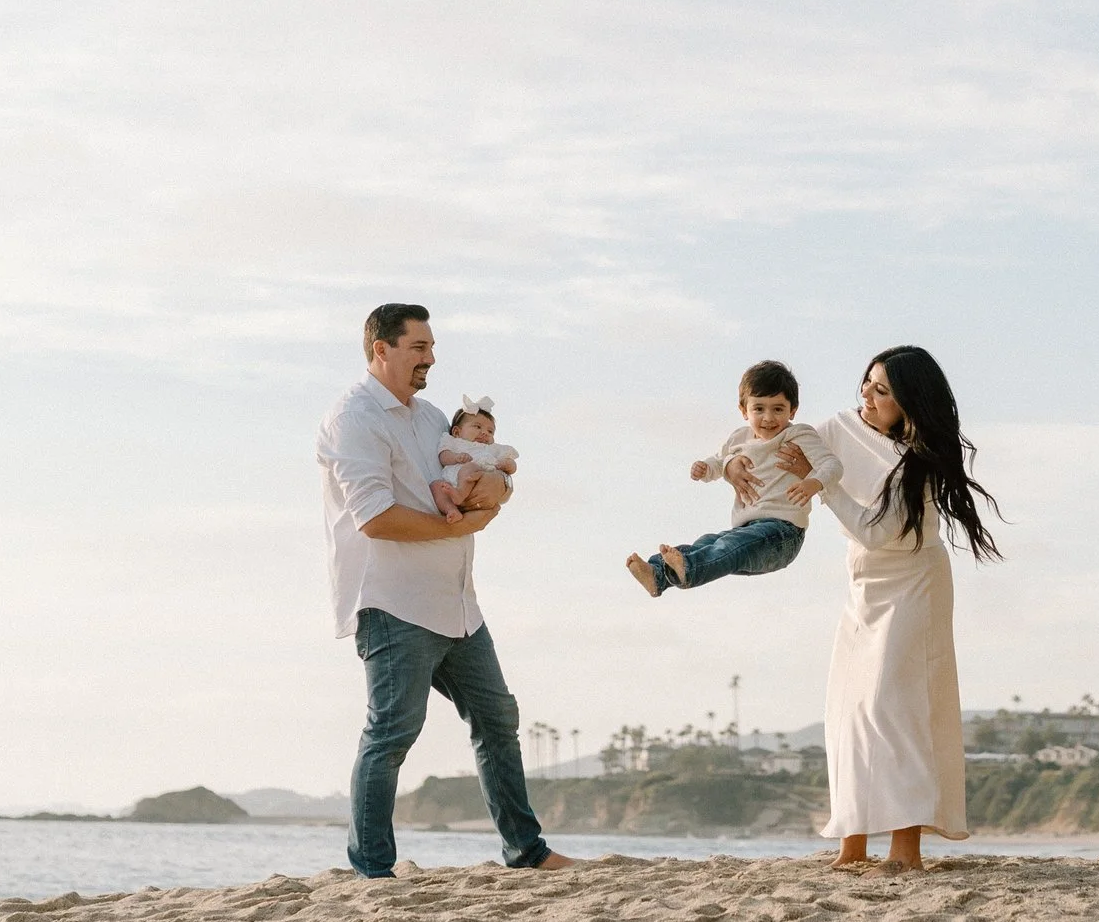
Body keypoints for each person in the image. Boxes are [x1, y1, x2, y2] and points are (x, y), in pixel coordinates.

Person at [316, 303, 573, 877]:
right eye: (418, 348)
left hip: (458, 603)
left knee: (497, 719)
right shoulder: (353, 418)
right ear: (381, 349)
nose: (430, 359)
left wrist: (494, 495)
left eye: (432, 348)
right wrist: (462, 523)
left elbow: (491, 472)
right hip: (393, 599)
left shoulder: (433, 416)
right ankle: (373, 870)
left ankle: (526, 852)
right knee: (391, 732)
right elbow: (376, 517)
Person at [752, 345, 999, 872]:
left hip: (912, 580)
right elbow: (777, 443)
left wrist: (824, 485)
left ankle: (905, 850)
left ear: (908, 403)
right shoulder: (841, 428)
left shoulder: (923, 461)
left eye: (882, 390)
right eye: (867, 381)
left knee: (895, 709)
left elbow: (878, 530)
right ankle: (851, 844)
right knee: (850, 709)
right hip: (863, 579)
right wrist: (730, 466)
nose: (867, 394)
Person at [624, 359, 843, 597]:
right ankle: (657, 575)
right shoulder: (739, 438)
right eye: (759, 409)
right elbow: (719, 462)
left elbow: (832, 464)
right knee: (707, 542)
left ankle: (690, 570)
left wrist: (814, 482)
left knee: (728, 546)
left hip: (782, 534)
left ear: (793, 410)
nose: (768, 418)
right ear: (743, 410)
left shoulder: (798, 434)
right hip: (745, 530)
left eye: (778, 409)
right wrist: (705, 468)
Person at [432, 396, 518, 522]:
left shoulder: (490, 448)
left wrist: (506, 464)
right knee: (435, 486)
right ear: (457, 432)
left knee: (470, 467)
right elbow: (443, 456)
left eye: (490, 431)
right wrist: (455, 457)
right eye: (477, 427)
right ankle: (451, 510)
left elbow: (512, 464)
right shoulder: (453, 442)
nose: (485, 433)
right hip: (451, 484)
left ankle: (460, 494)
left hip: (474, 483)